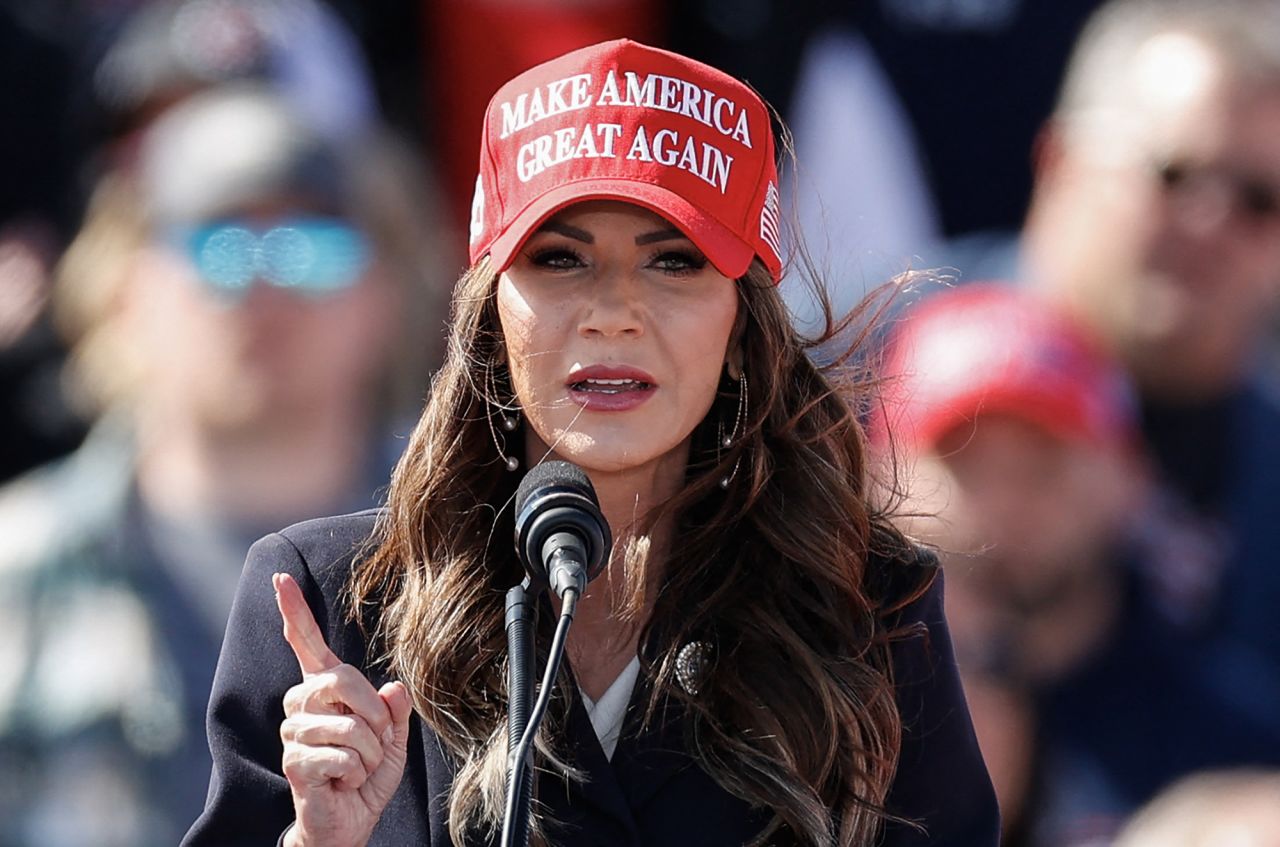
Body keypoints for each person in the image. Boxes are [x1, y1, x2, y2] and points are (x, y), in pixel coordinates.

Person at [182, 39, 999, 847]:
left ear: (744, 326)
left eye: (673, 262)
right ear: (490, 312)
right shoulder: (326, 613)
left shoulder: (870, 612)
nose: (613, 312)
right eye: (561, 259)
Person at [0, 86, 446, 847]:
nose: (265, 291)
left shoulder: (480, 564)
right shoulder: (14, 570)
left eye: (312, 248)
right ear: (123, 288)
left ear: (386, 291)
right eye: (219, 248)